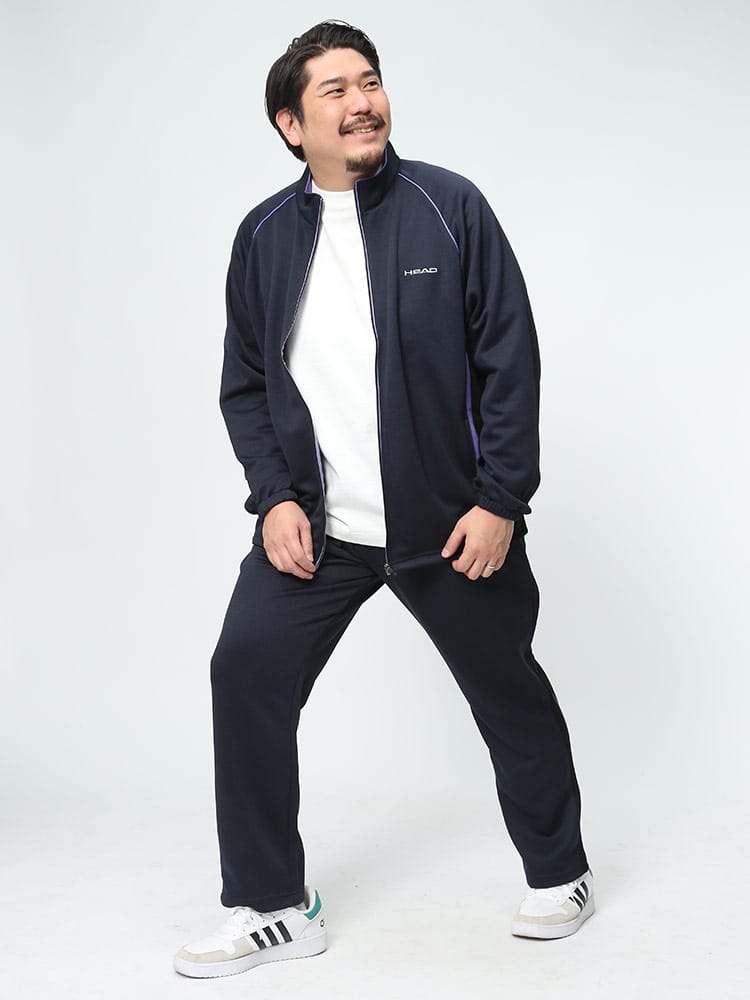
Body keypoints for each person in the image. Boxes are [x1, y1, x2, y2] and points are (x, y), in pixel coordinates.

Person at [174, 19, 595, 980]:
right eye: (335, 90)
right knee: (245, 670)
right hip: (320, 532)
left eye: (370, 81)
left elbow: (510, 360)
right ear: (291, 125)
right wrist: (275, 499)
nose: (362, 101)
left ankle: (560, 872)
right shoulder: (264, 237)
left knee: (509, 692)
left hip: (450, 526)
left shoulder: (450, 208)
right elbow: (248, 382)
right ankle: (274, 906)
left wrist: (501, 500)